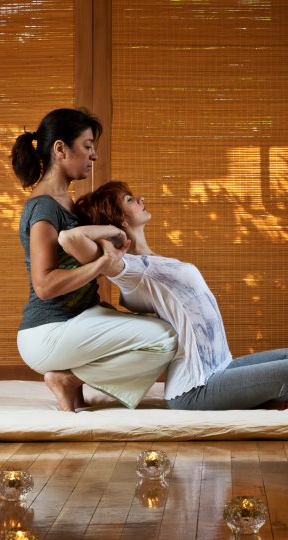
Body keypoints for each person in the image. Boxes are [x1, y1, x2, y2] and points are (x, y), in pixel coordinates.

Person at [58, 181, 288, 410]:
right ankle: (264, 403)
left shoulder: (152, 260)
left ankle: (262, 401)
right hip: (196, 385)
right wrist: (112, 232)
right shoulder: (129, 267)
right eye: (130, 200)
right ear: (120, 218)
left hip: (220, 365)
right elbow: (69, 238)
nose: (141, 199)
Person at [10, 109, 177, 411]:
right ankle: (69, 380)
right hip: (48, 331)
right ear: (60, 149)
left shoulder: (67, 203)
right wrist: (99, 264)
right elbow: (45, 285)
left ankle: (73, 385)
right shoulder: (43, 209)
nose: (94, 156)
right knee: (165, 339)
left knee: (163, 326)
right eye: (87, 146)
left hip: (78, 319)